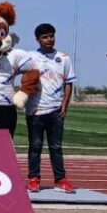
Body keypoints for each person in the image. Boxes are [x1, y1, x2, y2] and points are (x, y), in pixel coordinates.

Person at [25, 23, 77, 194]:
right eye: (45, 37)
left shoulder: (63, 58)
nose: (49, 40)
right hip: (35, 110)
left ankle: (60, 180)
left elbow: (68, 82)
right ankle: (34, 179)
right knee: (35, 146)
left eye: (51, 36)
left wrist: (65, 104)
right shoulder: (30, 57)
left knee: (56, 146)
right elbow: (23, 78)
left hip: (55, 110)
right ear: (38, 39)